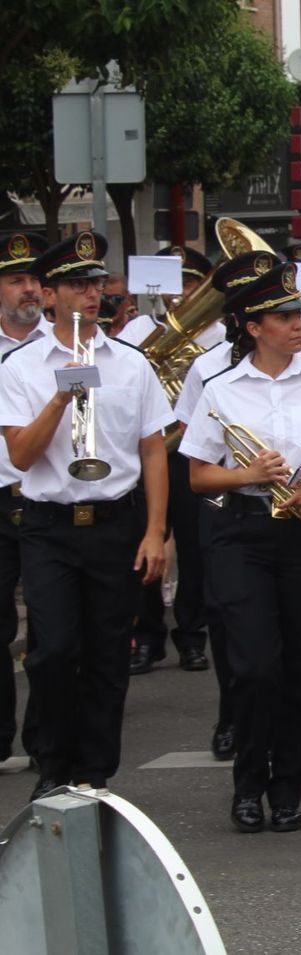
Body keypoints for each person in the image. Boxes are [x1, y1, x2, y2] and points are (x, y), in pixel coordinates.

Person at [180, 260, 301, 833]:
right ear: (252, 326)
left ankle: (287, 790)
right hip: (243, 534)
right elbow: (199, 476)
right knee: (256, 665)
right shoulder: (220, 389)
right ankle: (247, 783)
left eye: (298, 314)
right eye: (283, 317)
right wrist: (250, 475)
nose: (296, 324)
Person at [0, 231, 172, 800]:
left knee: (106, 654)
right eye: (77, 285)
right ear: (49, 295)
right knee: (50, 650)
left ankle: (94, 771)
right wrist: (60, 395)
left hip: (115, 522)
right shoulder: (19, 366)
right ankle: (53, 762)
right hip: (49, 524)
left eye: (96, 284)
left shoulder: (131, 363)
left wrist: (155, 531)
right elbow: (22, 455)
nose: (92, 295)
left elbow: (152, 450)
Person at [172, 251, 286, 764]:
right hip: (223, 500)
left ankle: (268, 722)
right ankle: (231, 713)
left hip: (287, 506)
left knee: (275, 627)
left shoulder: (299, 360)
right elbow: (190, 443)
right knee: (223, 614)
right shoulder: (207, 366)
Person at [126, 244, 223, 677]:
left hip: (192, 452)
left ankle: (191, 636)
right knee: (144, 544)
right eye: (174, 283)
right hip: (149, 452)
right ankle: (147, 637)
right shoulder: (137, 331)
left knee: (195, 546)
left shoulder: (219, 336)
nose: (181, 292)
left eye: (189, 282)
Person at [0, 231, 50, 767]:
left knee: (50, 629)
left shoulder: (65, 345)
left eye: (34, 280)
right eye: (16, 280)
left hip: (43, 495)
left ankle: (44, 741)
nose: (29, 290)